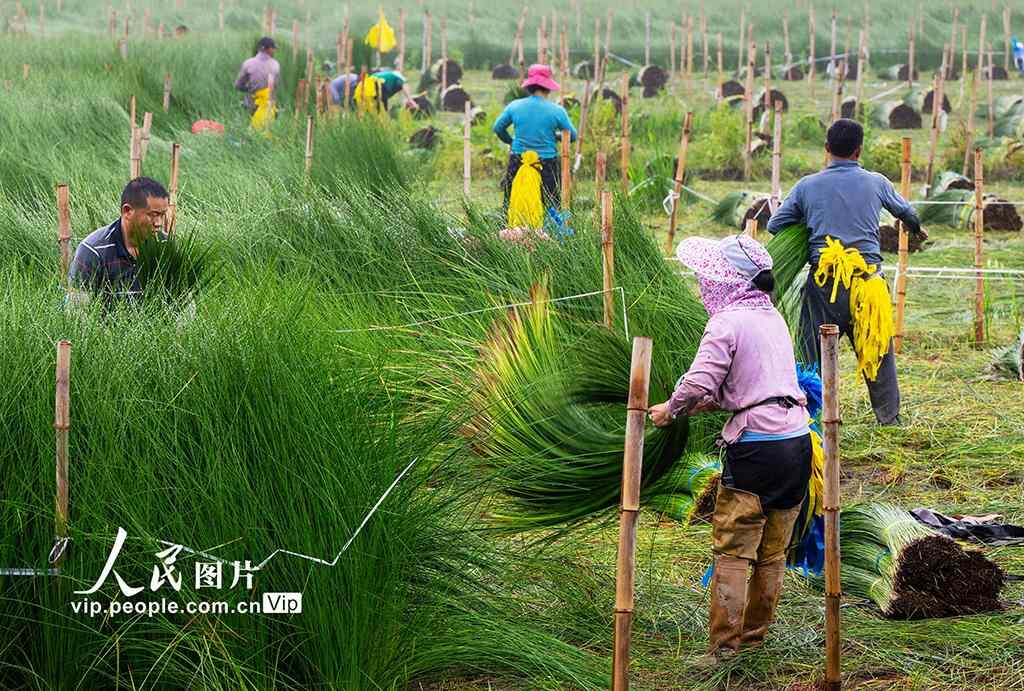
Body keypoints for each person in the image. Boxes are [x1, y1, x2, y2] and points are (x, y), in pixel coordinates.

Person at [649, 234, 812, 663]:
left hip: (757, 449)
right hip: (796, 444)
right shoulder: (771, 317)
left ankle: (723, 650)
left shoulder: (727, 321)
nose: (703, 284)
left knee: (734, 550)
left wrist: (671, 409)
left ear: (724, 280)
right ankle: (754, 641)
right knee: (772, 551)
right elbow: (760, 384)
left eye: (707, 277)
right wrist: (712, 402)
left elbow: (699, 380)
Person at [766, 118, 927, 425]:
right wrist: (915, 227)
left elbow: (775, 224)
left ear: (827, 148)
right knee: (877, 350)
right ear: (859, 150)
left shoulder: (807, 186)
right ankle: (889, 419)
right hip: (868, 284)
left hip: (825, 284)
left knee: (811, 351)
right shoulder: (876, 182)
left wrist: (810, 223)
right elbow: (907, 213)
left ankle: (806, 418)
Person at [67, 177, 169, 308]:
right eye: (153, 215)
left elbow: (179, 300)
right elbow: (77, 311)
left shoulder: (165, 245)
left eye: (162, 215)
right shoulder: (93, 250)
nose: (159, 223)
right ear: (127, 211)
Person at [493, 64, 577, 208]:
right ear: (548, 86)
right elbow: (572, 135)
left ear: (529, 86)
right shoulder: (557, 111)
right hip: (547, 164)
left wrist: (511, 141)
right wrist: (556, 136)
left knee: (513, 202)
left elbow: (498, 128)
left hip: (518, 161)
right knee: (550, 204)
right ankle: (550, 222)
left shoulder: (515, 106)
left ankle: (510, 222)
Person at [235, 37, 281, 116]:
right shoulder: (275, 64)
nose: (274, 50)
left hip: (251, 104)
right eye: (273, 48)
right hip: (268, 106)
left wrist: (250, 89)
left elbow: (238, 86)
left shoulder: (248, 63)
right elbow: (275, 86)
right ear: (268, 49)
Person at [351, 69, 419, 112]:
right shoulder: (398, 76)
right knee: (382, 112)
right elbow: (404, 85)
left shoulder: (388, 77)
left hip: (363, 87)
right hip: (376, 84)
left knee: (370, 111)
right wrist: (411, 100)